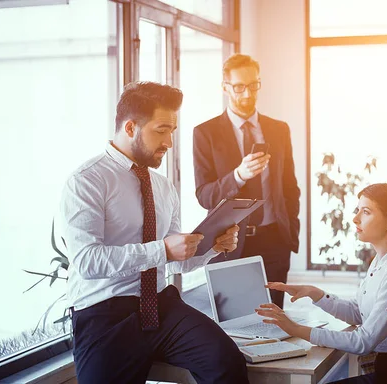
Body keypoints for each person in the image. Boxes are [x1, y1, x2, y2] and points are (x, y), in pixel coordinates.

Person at [60, 82, 249, 384]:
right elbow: (86, 262)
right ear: (131, 127)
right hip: (105, 315)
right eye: (162, 131)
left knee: (226, 362)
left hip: (161, 306)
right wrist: (162, 249)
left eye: (172, 131)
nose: (169, 142)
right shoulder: (87, 181)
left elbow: (176, 263)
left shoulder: (162, 186)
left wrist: (214, 246)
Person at [256, 183, 387, 384]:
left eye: (366, 212)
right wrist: (315, 294)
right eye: (357, 210)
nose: (355, 218)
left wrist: (297, 330)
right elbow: (359, 312)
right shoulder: (381, 261)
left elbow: (364, 341)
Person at [193, 53, 300, 309]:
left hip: (275, 241)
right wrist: (238, 176)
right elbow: (204, 195)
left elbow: (289, 187)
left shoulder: (279, 129)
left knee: (274, 321)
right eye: (239, 87)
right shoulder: (205, 133)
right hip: (229, 242)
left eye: (253, 85)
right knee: (234, 322)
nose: (248, 94)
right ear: (225, 87)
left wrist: (290, 233)